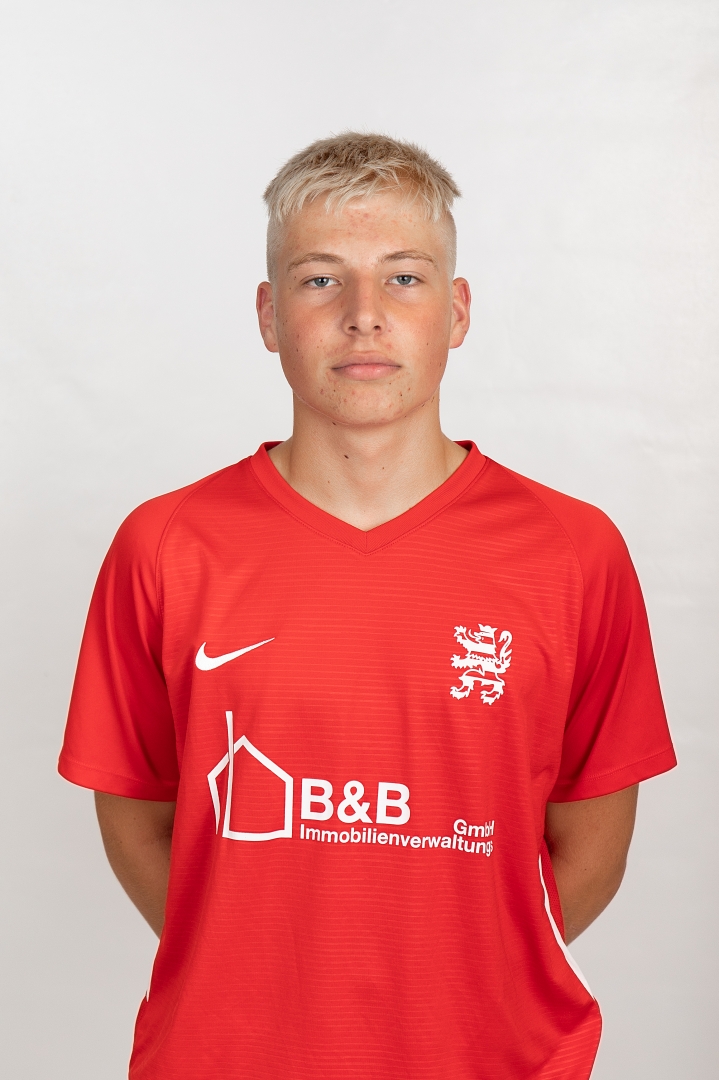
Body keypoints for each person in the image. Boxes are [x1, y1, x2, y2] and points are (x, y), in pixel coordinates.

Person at [59, 133, 676, 1080]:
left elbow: (591, 843)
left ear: (456, 311)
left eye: (403, 278)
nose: (362, 315)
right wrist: (252, 958)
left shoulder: (572, 553)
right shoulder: (166, 546)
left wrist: (462, 975)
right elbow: (136, 820)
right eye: (319, 280)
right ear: (268, 316)